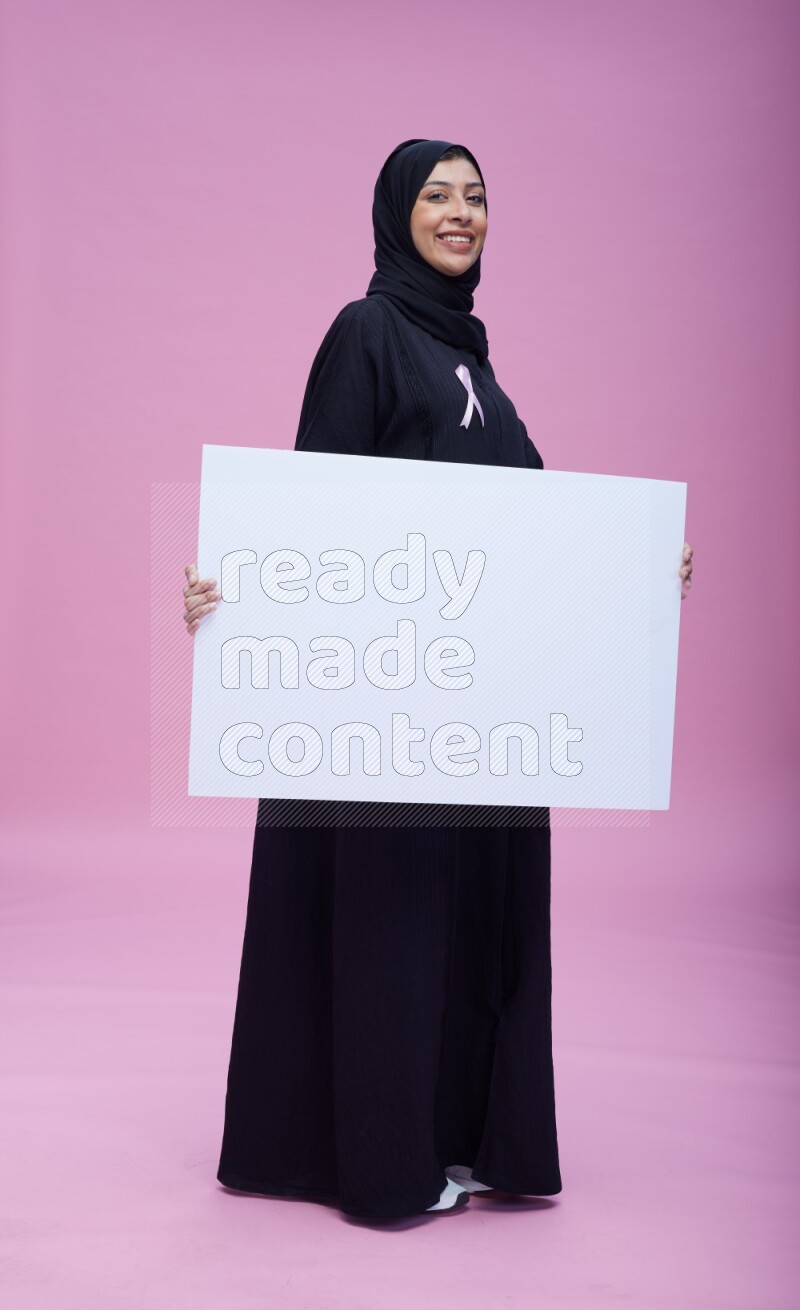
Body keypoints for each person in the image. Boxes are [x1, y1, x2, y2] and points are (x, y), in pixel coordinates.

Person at [182, 138, 695, 1223]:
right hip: (384, 711)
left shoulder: (473, 363)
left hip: (479, 712)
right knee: (393, 924)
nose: (459, 213)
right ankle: (380, 1161)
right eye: (436, 195)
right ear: (393, 213)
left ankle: (456, 1133)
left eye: (475, 198)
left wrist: (640, 565)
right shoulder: (367, 332)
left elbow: (541, 524)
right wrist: (239, 596)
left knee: (471, 923)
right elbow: (311, 507)